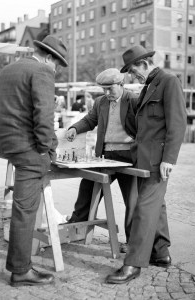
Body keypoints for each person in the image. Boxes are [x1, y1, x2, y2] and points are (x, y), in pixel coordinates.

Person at [0, 35, 68, 287]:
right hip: (24, 145)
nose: (55, 70)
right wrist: (47, 149)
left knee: (25, 200)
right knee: (25, 209)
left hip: (2, 138)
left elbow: (14, 107)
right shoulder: (43, 71)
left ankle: (21, 264)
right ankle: (21, 270)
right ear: (49, 57)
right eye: (57, 64)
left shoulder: (9, 68)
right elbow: (44, 118)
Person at [106, 45, 187, 284]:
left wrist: (169, 159)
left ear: (144, 64)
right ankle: (161, 254)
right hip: (144, 159)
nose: (132, 76)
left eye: (132, 71)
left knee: (143, 210)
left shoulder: (169, 82)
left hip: (157, 161)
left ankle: (133, 264)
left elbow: (178, 123)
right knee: (156, 206)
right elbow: (142, 126)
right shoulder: (149, 86)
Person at [65, 68, 139, 252]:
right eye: (103, 89)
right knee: (88, 184)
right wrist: (74, 128)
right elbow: (89, 120)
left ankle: (133, 242)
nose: (106, 93)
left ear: (121, 85)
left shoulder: (134, 101)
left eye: (110, 89)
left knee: (133, 199)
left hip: (129, 156)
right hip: (106, 156)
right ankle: (78, 224)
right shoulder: (100, 102)